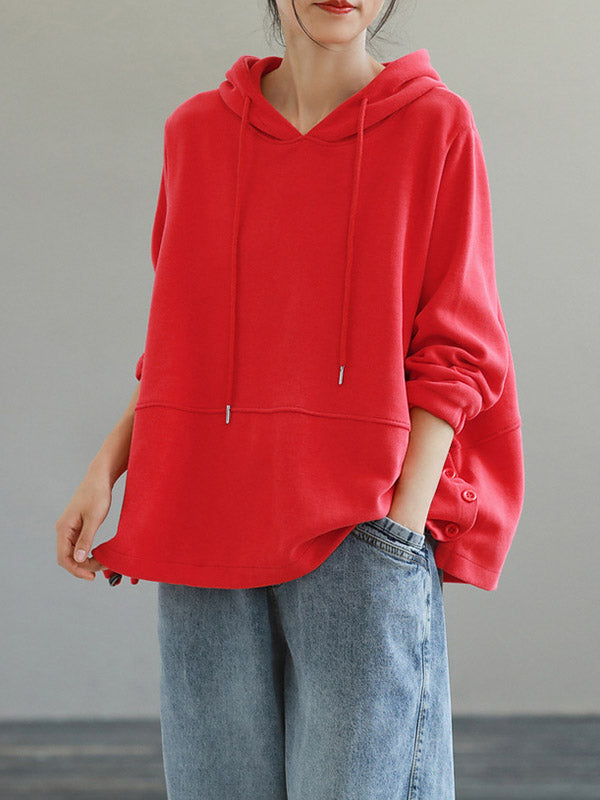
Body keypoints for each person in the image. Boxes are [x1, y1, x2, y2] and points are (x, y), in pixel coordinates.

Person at [56, 1, 525, 798]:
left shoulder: (435, 124)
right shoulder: (198, 133)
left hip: (359, 527)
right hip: (203, 517)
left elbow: (459, 345)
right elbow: (183, 343)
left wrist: (399, 523)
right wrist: (108, 468)